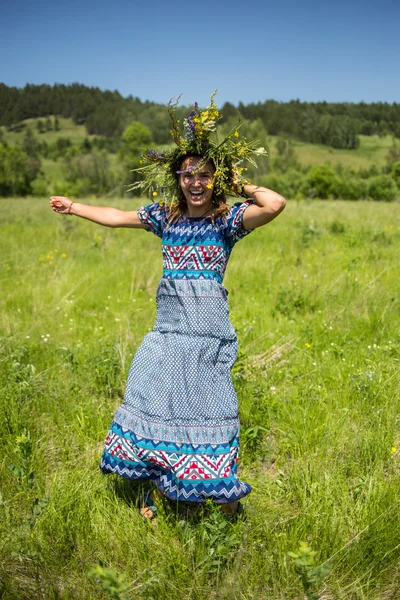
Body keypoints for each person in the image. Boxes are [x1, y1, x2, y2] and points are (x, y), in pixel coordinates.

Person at [49, 95, 286, 518]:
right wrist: (74, 207)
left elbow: (275, 204)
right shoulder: (166, 218)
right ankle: (159, 492)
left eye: (205, 176)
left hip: (208, 336)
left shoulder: (227, 222)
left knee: (214, 411)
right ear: (177, 178)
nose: (196, 183)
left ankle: (221, 498)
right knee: (154, 402)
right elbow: (116, 216)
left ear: (215, 180)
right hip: (167, 334)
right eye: (188, 175)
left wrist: (237, 182)